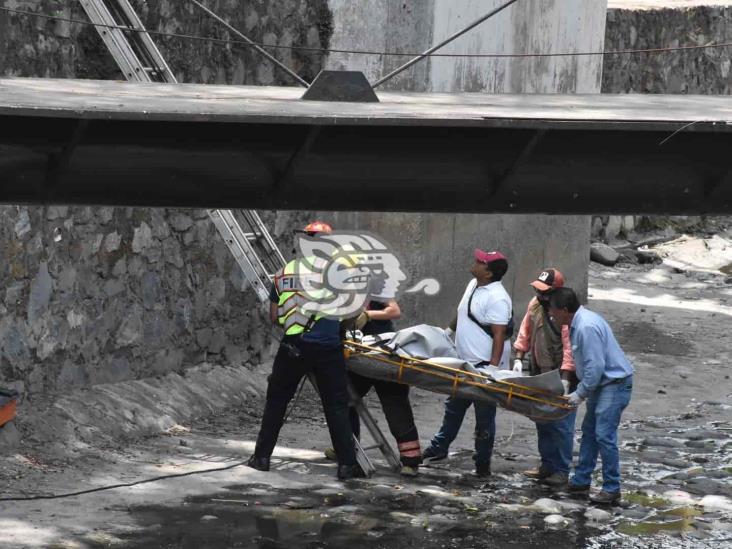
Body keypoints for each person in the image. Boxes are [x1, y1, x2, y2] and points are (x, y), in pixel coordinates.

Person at [247, 221, 363, 480]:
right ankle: (347, 465)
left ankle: (262, 457)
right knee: (336, 406)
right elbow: (353, 312)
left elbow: (274, 316)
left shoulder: (285, 271)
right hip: (328, 348)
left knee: (277, 401)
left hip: (293, 346)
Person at [421, 249, 512, 477]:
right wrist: (448, 331)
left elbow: (499, 334)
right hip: (464, 361)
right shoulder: (473, 284)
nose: (476, 262)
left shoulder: (498, 298)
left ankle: (482, 463)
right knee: (454, 407)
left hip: (482, 365)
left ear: (488, 273)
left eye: (481, 262)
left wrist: (492, 369)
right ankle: (439, 447)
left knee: (484, 416)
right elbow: (463, 311)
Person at [548, 287, 634, 505]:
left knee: (604, 435)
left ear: (565, 310)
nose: (551, 314)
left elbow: (595, 368)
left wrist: (580, 394)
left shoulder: (585, 327)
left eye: (553, 310)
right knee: (589, 432)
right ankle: (581, 480)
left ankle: (612, 488)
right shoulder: (579, 322)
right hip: (604, 384)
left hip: (613, 384)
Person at [327, 299, 423, 476]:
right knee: (344, 399)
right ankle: (346, 447)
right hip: (359, 357)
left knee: (395, 405)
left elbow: (394, 311)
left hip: (385, 355)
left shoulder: (376, 287)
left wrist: (368, 315)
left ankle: (411, 460)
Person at [513, 268, 577, 487]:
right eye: (538, 291)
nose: (540, 295)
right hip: (539, 371)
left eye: (544, 292)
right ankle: (547, 465)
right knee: (542, 419)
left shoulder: (565, 315)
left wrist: (566, 379)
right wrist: (519, 358)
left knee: (561, 424)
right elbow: (525, 332)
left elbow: (569, 348)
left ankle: (561, 470)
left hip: (560, 373)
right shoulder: (535, 305)